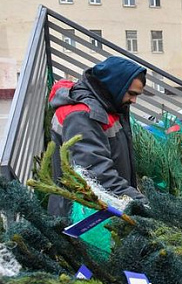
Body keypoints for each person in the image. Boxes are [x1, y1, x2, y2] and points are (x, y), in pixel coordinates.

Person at [48, 56, 147, 216]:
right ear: (115, 86)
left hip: (103, 205)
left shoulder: (110, 105)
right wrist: (145, 206)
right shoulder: (83, 116)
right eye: (131, 93)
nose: (134, 100)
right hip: (81, 214)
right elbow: (98, 176)